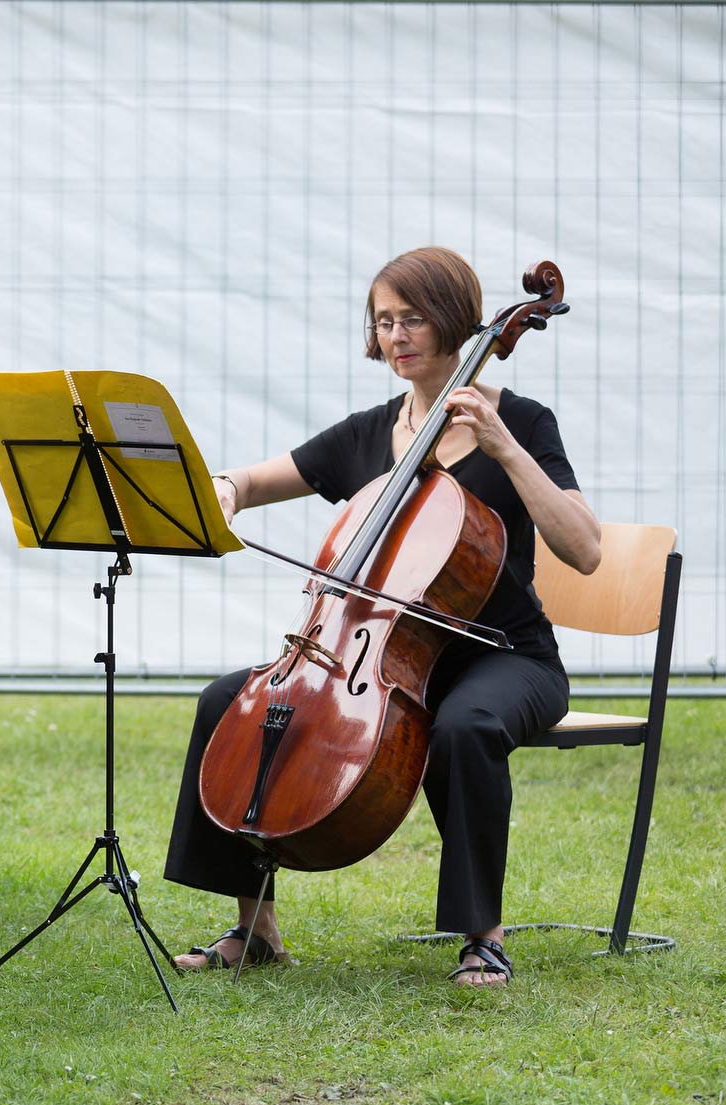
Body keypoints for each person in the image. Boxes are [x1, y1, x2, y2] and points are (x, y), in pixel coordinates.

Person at [164, 246, 602, 987]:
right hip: (375, 657)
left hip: (504, 656)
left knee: (465, 725)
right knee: (226, 700)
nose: (396, 336)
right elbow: (256, 479)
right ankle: (255, 927)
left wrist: (503, 447)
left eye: (414, 319)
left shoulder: (524, 421)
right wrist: (229, 489)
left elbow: (585, 549)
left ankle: (483, 936)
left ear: (456, 320)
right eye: (384, 321)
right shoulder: (370, 433)